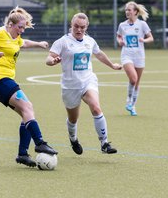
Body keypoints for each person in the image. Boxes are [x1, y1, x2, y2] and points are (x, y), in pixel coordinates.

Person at [0, 6, 58, 168]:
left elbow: (23, 43)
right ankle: (40, 142)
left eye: (24, 27)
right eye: (20, 27)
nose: (22, 30)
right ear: (10, 25)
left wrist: (39, 44)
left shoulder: (15, 36)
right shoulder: (0, 33)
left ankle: (22, 154)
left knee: (26, 113)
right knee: (28, 106)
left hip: (5, 79)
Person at [46, 12, 122, 155]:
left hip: (88, 81)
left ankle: (104, 143)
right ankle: (73, 139)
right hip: (70, 86)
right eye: (76, 26)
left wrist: (112, 65)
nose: (79, 30)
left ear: (86, 27)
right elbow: (49, 58)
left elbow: (99, 54)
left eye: (82, 27)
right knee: (73, 119)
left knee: (96, 107)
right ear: (71, 25)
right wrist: (53, 61)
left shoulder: (90, 41)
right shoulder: (63, 41)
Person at [116, 1, 154, 116]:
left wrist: (144, 40)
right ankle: (128, 100)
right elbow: (118, 36)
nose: (127, 12)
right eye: (126, 10)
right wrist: (120, 41)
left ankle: (132, 106)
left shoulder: (142, 24)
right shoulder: (122, 25)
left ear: (136, 12)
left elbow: (151, 38)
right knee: (133, 78)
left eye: (129, 10)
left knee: (137, 83)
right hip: (127, 55)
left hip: (139, 56)